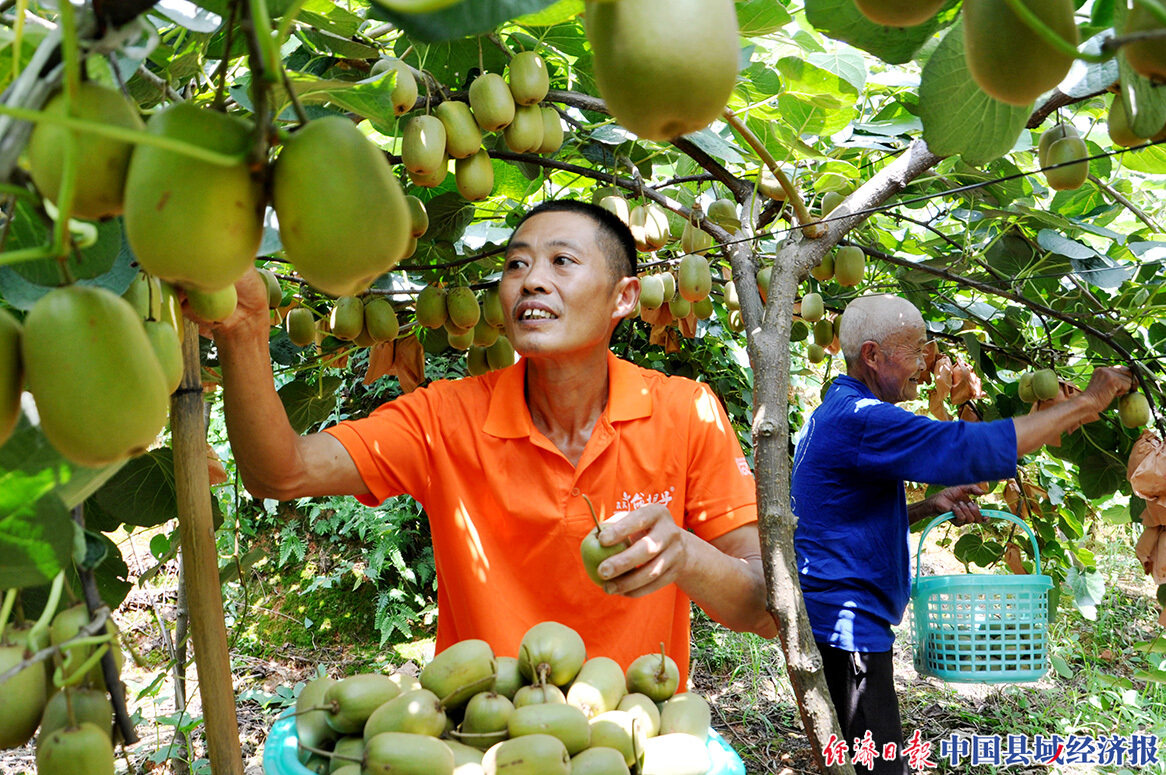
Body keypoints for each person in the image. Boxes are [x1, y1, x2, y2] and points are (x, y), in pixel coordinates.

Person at [201, 199, 777, 684]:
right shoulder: (444, 417)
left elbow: (763, 607)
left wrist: (685, 554)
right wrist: (244, 330)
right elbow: (282, 473)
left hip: (634, 742)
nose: (532, 279)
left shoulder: (686, 411)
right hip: (485, 739)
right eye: (516, 265)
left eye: (562, 261)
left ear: (625, 297)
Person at [790, 294, 1132, 775]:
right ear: (872, 355)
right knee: (880, 768)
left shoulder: (837, 409)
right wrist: (1087, 403)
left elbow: (841, 516)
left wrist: (929, 505)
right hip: (846, 627)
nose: (923, 364)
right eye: (914, 350)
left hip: (835, 616)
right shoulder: (863, 419)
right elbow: (966, 446)